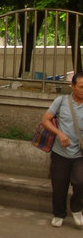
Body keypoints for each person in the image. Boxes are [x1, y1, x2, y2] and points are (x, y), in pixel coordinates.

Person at [40, 72, 83, 228]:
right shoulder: (61, 101)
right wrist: (59, 133)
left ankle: (77, 208)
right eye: (81, 87)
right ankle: (59, 214)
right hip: (61, 152)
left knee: (80, 181)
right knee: (59, 184)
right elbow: (45, 120)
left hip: (80, 153)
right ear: (72, 86)